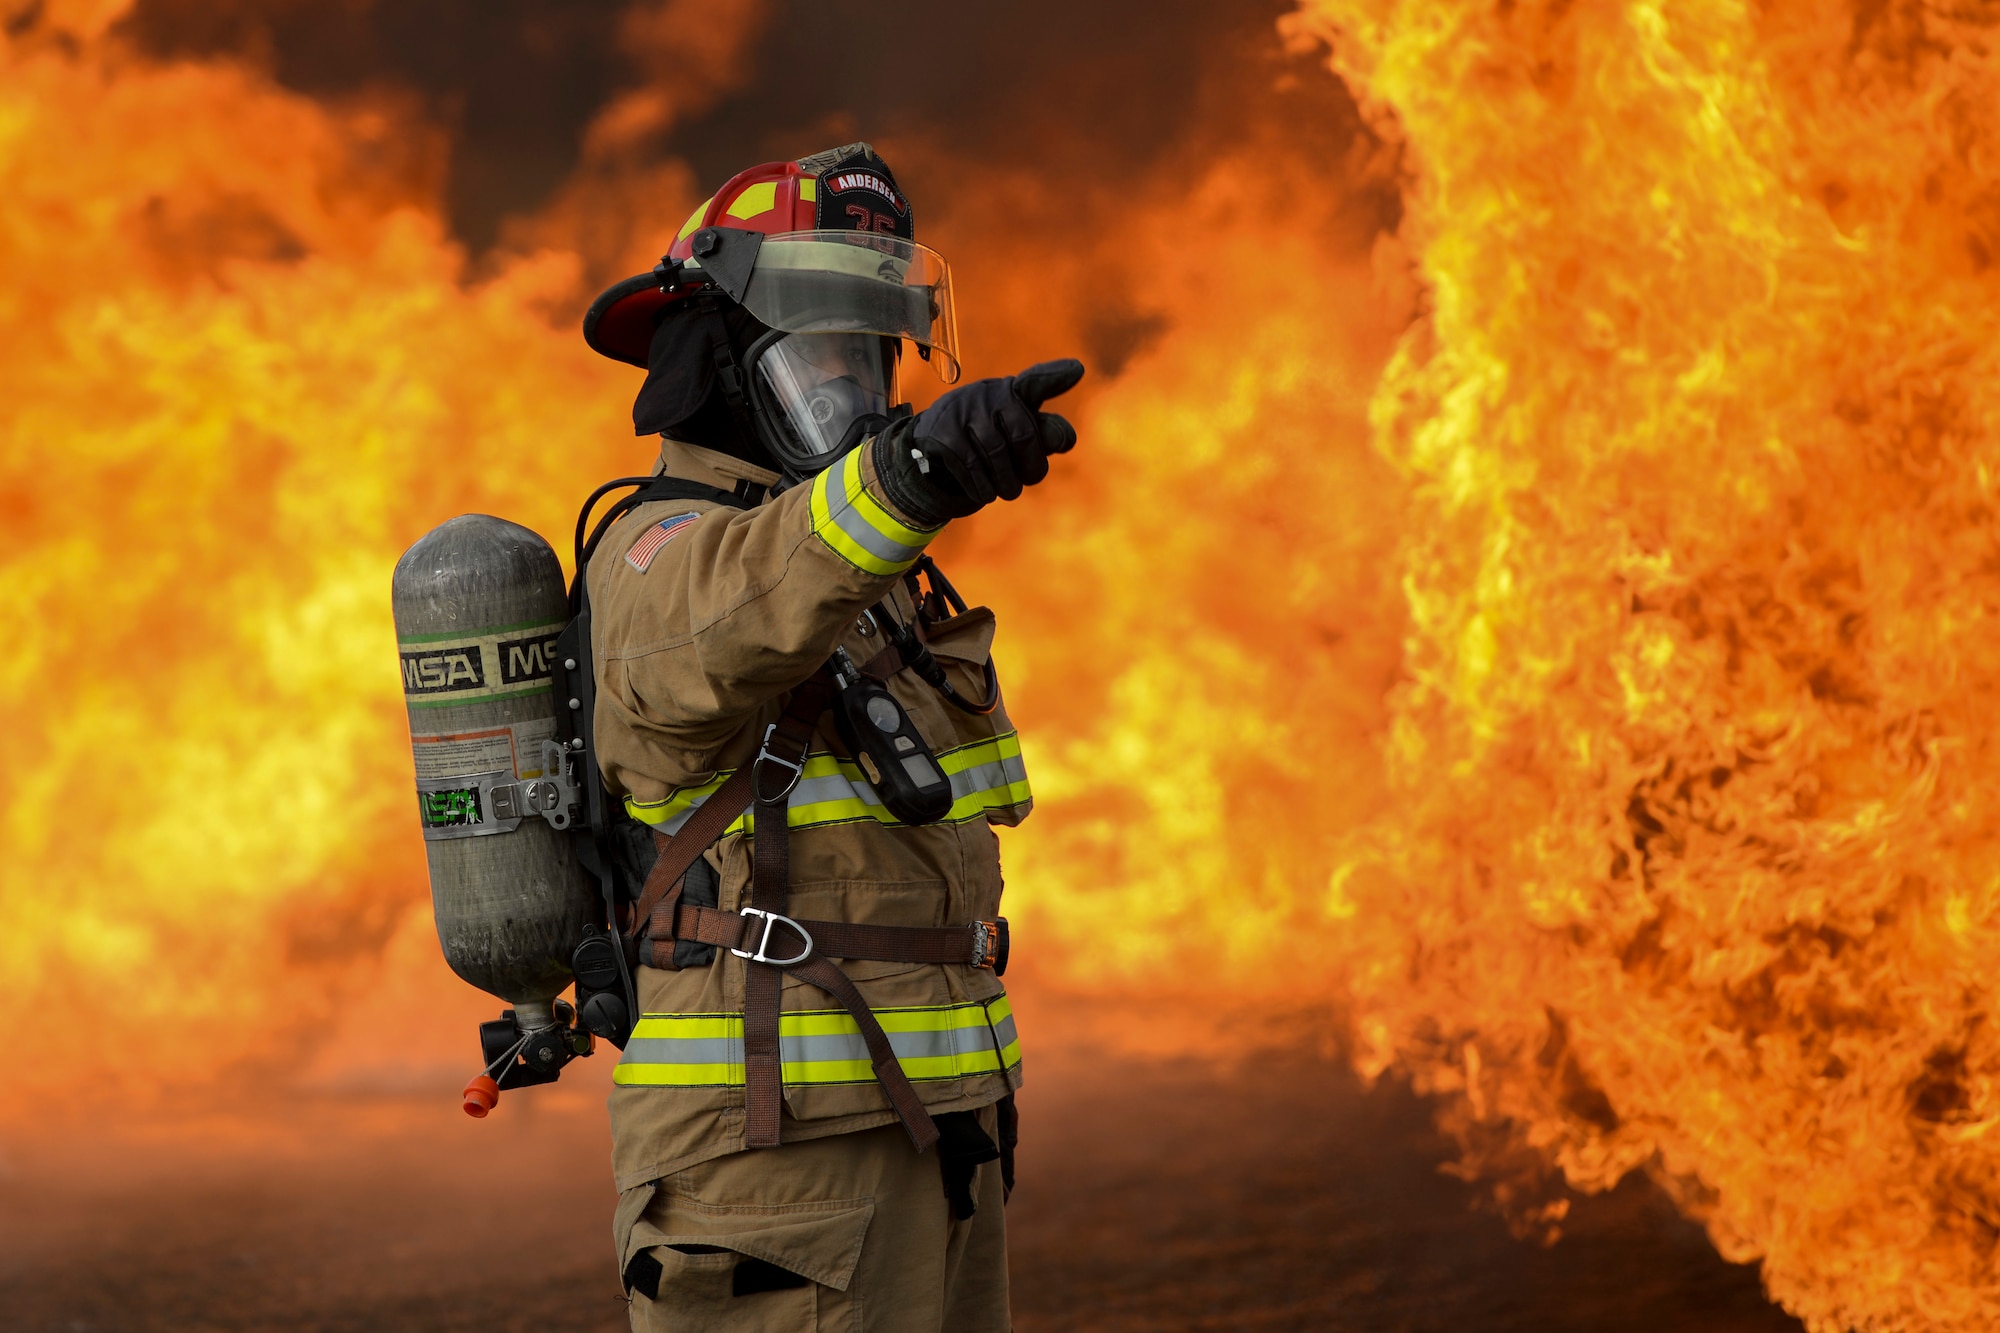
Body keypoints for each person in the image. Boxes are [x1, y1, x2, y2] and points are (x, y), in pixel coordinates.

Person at [578, 141, 1083, 1331]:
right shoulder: (660, 556)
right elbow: (742, 607)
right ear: (718, 362)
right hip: (771, 1175)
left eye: (871, 357)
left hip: (932, 1133)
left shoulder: (865, 582)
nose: (857, 393)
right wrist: (911, 477)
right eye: (820, 356)